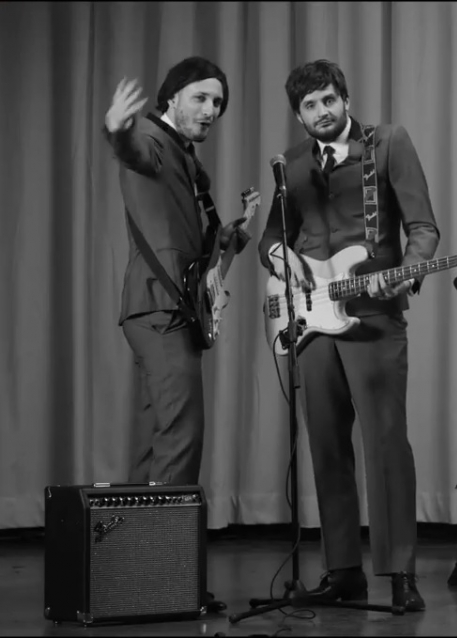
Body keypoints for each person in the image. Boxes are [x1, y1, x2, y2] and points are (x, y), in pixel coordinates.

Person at [257, 59, 439, 614]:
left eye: (329, 100)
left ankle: (400, 571)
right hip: (311, 323)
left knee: (386, 445)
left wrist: (407, 270)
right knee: (326, 446)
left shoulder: (388, 143)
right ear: (299, 114)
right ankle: (342, 571)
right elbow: (271, 238)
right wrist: (281, 257)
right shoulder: (290, 165)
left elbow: (423, 228)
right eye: (310, 105)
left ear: (345, 99)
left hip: (375, 318)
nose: (321, 111)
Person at [104, 56, 249, 614]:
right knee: (182, 437)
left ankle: (130, 576)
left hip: (166, 309)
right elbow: (132, 152)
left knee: (157, 443)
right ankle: (163, 579)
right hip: (159, 309)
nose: (211, 110)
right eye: (201, 98)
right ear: (171, 99)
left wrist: (228, 238)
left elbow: (188, 249)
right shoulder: (151, 138)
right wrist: (116, 130)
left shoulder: (184, 157)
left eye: (218, 103)